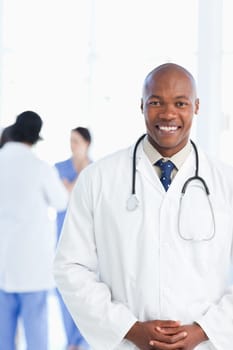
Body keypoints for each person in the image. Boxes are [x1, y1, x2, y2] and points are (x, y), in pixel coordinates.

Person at [53, 63, 233, 350]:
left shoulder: (226, 182)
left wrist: (203, 331)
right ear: (141, 106)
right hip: (127, 345)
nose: (168, 113)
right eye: (156, 102)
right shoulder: (99, 178)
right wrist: (129, 329)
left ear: (196, 106)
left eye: (180, 103)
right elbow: (71, 267)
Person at [0, 111, 68, 350]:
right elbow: (61, 202)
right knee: (36, 336)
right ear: (35, 137)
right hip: (31, 266)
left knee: (3, 337)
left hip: (2, 265)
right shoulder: (40, 168)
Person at [54, 127, 91, 350]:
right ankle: (70, 341)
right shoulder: (59, 168)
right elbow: (65, 198)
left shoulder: (96, 169)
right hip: (61, 237)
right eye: (70, 140)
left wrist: (72, 185)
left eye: (76, 141)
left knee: (86, 290)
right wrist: (80, 178)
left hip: (88, 238)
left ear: (87, 143)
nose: (72, 144)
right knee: (64, 288)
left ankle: (83, 340)